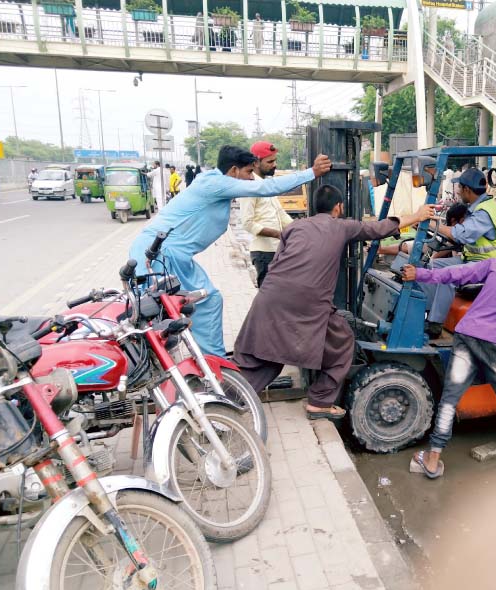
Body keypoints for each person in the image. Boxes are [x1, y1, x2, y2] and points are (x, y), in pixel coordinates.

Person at [233, 185, 435, 420]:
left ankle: (230, 399)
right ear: (338, 207)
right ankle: (320, 401)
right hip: (309, 303)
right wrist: (419, 216)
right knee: (343, 341)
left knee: (266, 354)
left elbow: (279, 262)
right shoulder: (342, 227)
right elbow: (380, 228)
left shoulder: (294, 227)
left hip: (270, 296)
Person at [129, 145, 332, 357]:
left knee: (204, 302)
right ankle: (208, 363)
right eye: (248, 172)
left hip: (169, 253)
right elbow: (266, 188)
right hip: (160, 252)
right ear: (234, 170)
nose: (251, 178)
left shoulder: (214, 183)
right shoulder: (216, 183)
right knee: (167, 313)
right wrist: (312, 173)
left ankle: (208, 360)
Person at [402, 250, 496, 479]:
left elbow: (457, 274)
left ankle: (433, 459)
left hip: (469, 335)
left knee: (450, 398)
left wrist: (420, 274)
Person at [420, 168, 496, 336]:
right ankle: (428, 314)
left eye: (459, 188)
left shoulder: (483, 212)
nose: (458, 192)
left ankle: (435, 324)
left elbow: (460, 234)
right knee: (431, 266)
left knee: (448, 274)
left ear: (467, 190)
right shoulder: (479, 207)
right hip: (474, 261)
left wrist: (431, 224)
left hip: (489, 268)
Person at [238, 141, 293, 288]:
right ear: (256, 163)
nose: (274, 164)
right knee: (270, 304)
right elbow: (247, 223)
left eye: (274, 160)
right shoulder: (250, 186)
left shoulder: (266, 184)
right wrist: (277, 234)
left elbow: (280, 214)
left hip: (277, 251)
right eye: (270, 161)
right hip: (264, 254)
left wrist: (300, 228)